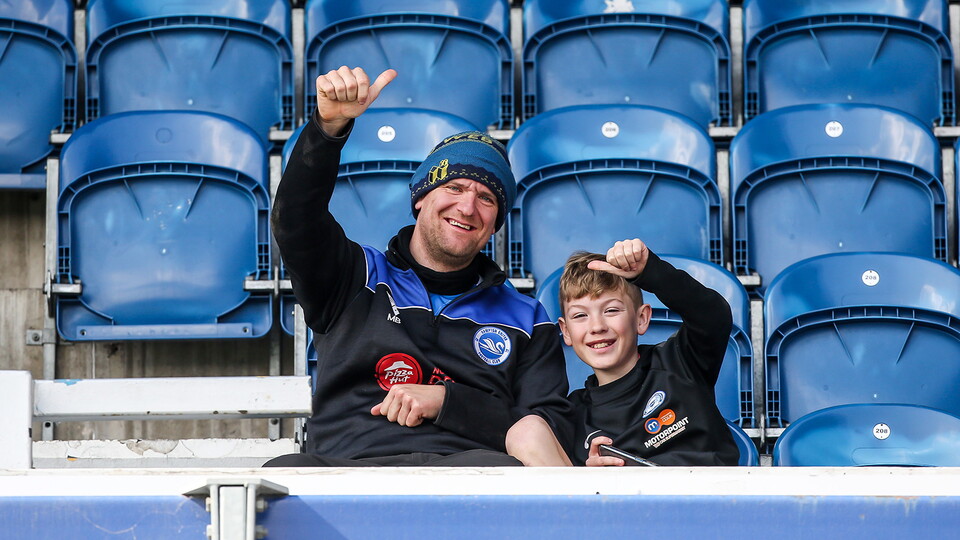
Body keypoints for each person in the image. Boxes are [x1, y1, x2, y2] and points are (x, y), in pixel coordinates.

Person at [265, 66, 572, 467]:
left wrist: (449, 402)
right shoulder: (354, 277)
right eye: (455, 187)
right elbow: (295, 219)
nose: (467, 207)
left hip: (472, 479)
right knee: (283, 476)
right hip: (348, 473)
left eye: (487, 198)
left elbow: (550, 432)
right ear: (420, 199)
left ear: (496, 225)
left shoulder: (526, 318)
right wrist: (328, 129)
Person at [557, 238, 740, 466]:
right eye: (580, 316)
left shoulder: (680, 362)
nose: (597, 327)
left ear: (642, 319)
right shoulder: (572, 417)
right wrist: (590, 479)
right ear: (566, 331)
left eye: (611, 310)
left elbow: (713, 315)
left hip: (713, 496)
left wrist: (651, 271)